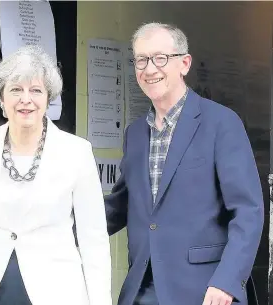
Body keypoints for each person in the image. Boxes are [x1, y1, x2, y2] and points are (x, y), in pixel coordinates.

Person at [105, 22, 264, 305]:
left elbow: (248, 211)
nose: (149, 69)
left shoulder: (221, 123)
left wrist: (227, 281)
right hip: (143, 289)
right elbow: (119, 206)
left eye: (160, 58)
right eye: (141, 60)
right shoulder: (135, 134)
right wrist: (54, 225)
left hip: (205, 291)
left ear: (184, 64)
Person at [0, 45, 112, 305]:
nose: (26, 99)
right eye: (16, 90)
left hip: (56, 292)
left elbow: (94, 241)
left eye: (36, 90)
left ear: (47, 97)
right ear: (1, 97)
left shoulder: (76, 152)